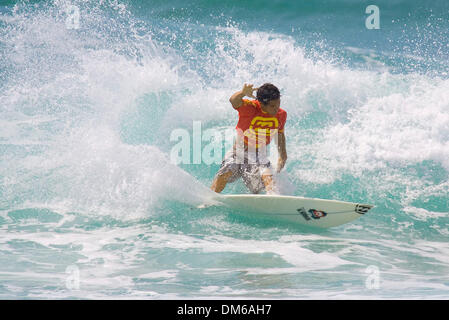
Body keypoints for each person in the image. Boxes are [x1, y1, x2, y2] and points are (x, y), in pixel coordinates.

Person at [210, 83, 287, 194]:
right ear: (261, 104)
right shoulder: (250, 108)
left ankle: (273, 200)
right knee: (225, 173)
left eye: (278, 104)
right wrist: (242, 93)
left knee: (267, 179)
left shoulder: (281, 114)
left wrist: (283, 154)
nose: (276, 109)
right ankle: (210, 198)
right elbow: (233, 101)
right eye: (272, 106)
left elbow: (279, 134)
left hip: (258, 156)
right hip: (238, 152)